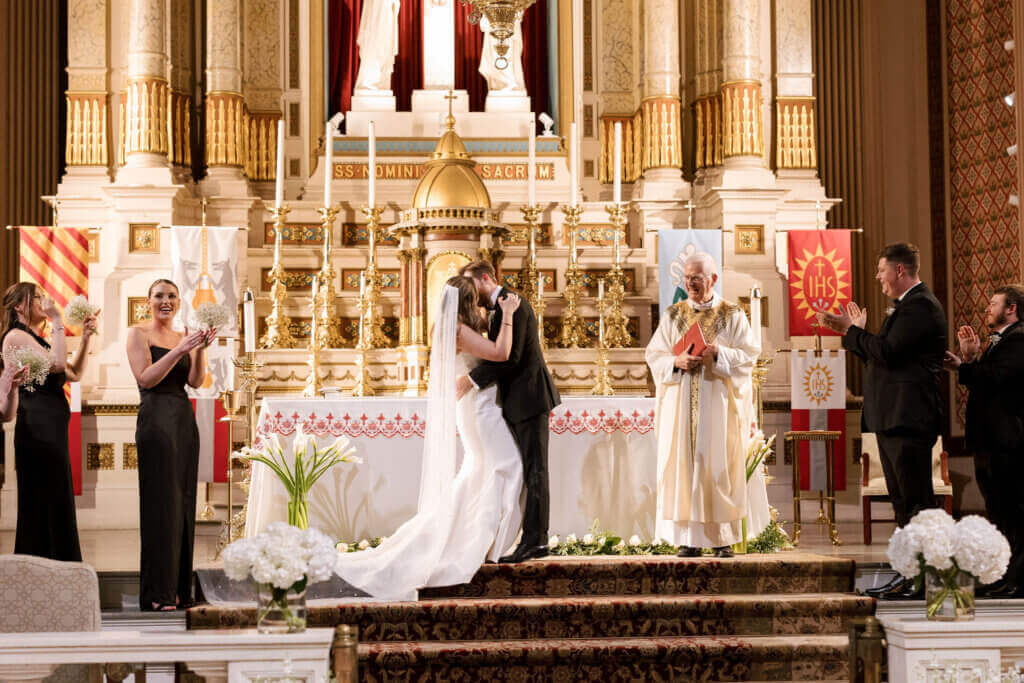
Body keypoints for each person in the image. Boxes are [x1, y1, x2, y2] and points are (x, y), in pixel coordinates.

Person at [334, 277, 525, 599]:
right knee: (506, 464)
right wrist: (508, 314)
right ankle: (480, 538)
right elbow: (502, 352)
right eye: (477, 299)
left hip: (478, 408)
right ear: (467, 300)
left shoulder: (450, 327)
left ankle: (480, 536)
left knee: (480, 469)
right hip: (480, 411)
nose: (482, 304)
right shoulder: (461, 331)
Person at [819, 242, 947, 600]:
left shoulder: (919, 306)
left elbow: (887, 352)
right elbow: (882, 359)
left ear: (900, 271)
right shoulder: (904, 307)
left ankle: (925, 579)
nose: (878, 277)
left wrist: (853, 331)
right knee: (903, 504)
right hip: (895, 418)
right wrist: (854, 333)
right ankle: (910, 575)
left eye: (881, 270)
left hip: (909, 418)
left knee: (916, 503)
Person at [645, 253, 761, 558]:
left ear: (713, 279)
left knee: (717, 466)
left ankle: (722, 538)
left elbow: (750, 354)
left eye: (697, 277)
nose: (690, 282)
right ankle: (689, 539)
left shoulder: (732, 314)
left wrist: (719, 354)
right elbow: (654, 355)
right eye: (686, 277)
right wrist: (675, 361)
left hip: (718, 405)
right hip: (682, 404)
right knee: (686, 466)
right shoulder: (673, 315)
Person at [456, 260, 561, 563]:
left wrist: (472, 379)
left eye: (471, 285)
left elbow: (510, 359)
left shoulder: (509, 305)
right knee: (528, 469)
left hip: (529, 398)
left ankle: (536, 541)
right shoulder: (498, 309)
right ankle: (526, 537)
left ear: (485, 278)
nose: (469, 293)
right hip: (516, 400)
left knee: (535, 469)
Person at [125, 279, 214, 611]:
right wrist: (179, 350)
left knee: (183, 504)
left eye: (172, 296)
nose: (166, 301)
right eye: (159, 295)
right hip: (156, 420)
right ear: (147, 301)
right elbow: (145, 378)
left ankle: (178, 590)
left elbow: (193, 381)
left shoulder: (183, 335)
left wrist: (200, 347)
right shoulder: (138, 333)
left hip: (182, 420)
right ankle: (157, 593)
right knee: (161, 505)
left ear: (179, 301)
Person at [0, 282, 98, 561]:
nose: (45, 303)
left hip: (52, 428)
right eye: (38, 299)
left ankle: (60, 567)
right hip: (37, 428)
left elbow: (73, 372)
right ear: (20, 306)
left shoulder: (36, 339)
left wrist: (86, 338)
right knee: (43, 498)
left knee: (57, 497)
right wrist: (57, 319)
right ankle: (41, 565)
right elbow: (56, 364)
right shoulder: (16, 337)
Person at [944, 284, 1024, 598]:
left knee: (1013, 513)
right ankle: (1003, 575)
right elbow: (988, 382)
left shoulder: (1018, 341)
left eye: (994, 303)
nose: (987, 308)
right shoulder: (999, 343)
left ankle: (1017, 579)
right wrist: (970, 359)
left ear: (1012, 309)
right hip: (991, 442)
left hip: (1009, 444)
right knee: (999, 510)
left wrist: (965, 366)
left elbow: (998, 379)